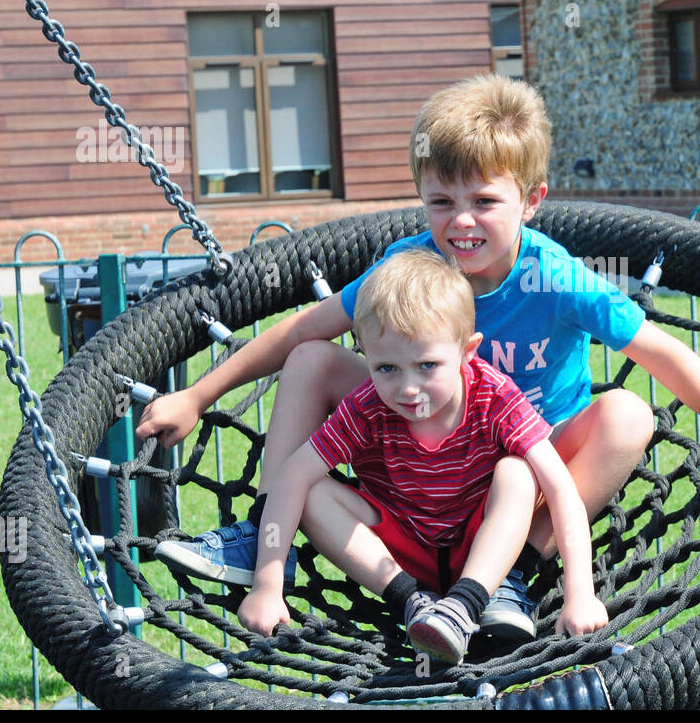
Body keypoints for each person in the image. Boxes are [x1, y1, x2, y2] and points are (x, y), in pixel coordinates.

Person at [141, 72, 700, 642]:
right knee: (314, 357)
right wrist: (197, 395)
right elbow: (297, 332)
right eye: (441, 201)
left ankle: (512, 574)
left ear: (531, 200)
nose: (461, 222)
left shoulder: (556, 277)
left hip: (525, 475)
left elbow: (662, 352)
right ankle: (262, 534)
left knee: (628, 415)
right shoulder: (409, 269)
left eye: (485, 201)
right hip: (415, 470)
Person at [234, 247, 606, 664]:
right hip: (397, 550)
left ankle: (465, 606)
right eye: (387, 368)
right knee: (311, 488)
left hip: (480, 547)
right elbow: (292, 478)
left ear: (468, 351)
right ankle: (413, 601)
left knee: (519, 473)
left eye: (427, 365)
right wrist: (267, 583)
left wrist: (580, 592)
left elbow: (560, 489)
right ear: (365, 354)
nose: (408, 389)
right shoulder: (368, 405)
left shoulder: (494, 396)